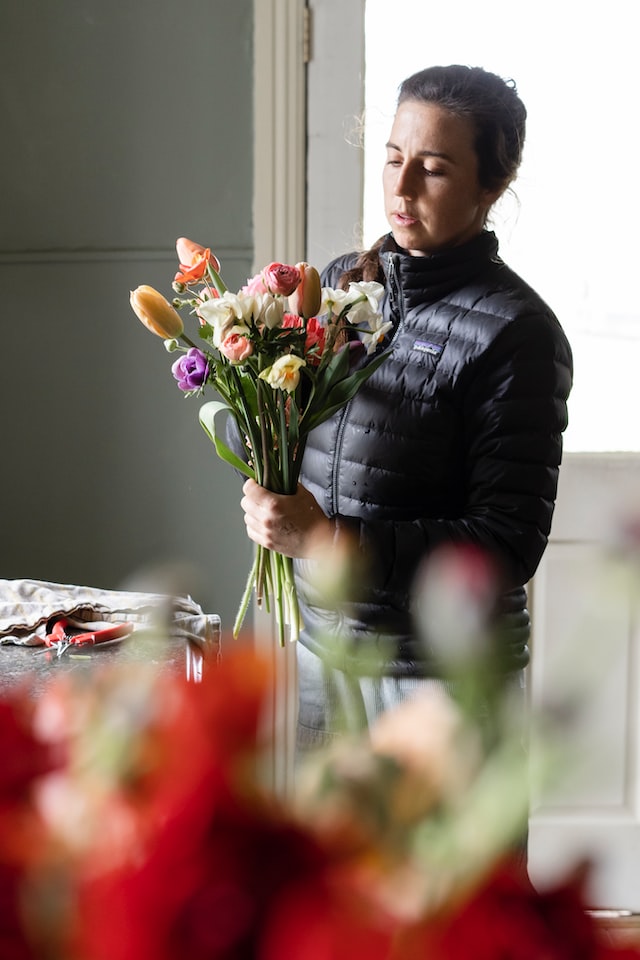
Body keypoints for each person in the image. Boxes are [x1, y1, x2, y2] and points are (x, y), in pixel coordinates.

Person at [239, 64, 573, 752]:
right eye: (393, 157)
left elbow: (506, 543)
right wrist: (263, 459)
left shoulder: (518, 333)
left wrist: (330, 543)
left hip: (441, 681)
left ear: (492, 185)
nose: (401, 185)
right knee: (322, 863)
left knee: (446, 865)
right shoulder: (336, 286)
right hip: (323, 653)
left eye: (435, 168)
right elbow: (305, 444)